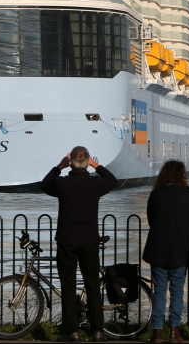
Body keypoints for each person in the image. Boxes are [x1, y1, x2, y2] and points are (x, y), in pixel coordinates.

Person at [40, 146, 117, 342]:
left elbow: (44, 184)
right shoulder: (95, 184)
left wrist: (59, 166)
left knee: (68, 286)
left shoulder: (62, 183)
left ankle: (72, 332)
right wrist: (95, 165)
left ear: (71, 162)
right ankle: (97, 331)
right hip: (89, 241)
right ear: (87, 161)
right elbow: (112, 180)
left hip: (67, 241)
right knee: (92, 285)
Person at [142, 160, 189, 344]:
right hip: (181, 249)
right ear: (182, 175)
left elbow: (151, 218)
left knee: (159, 290)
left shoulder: (156, 193)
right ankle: (174, 332)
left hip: (158, 248)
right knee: (177, 291)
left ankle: (157, 332)